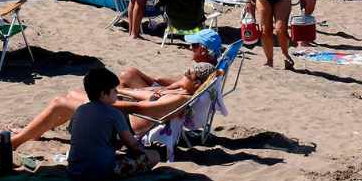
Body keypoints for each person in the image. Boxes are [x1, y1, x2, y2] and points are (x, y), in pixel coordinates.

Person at [11, 62, 213, 151]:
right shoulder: (181, 93)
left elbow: (139, 109)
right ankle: (36, 131)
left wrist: (110, 102)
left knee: (59, 103)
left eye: (188, 75)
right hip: (122, 118)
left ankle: (16, 141)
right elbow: (146, 96)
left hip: (122, 126)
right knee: (71, 95)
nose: (183, 75)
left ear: (196, 84)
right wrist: (123, 92)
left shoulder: (179, 100)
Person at [66, 68, 161, 181]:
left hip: (74, 171)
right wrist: (143, 152)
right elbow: (132, 145)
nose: (117, 93)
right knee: (154, 156)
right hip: (101, 174)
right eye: (114, 90)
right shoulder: (114, 113)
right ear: (103, 94)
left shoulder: (80, 109)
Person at [118, 29, 221, 89]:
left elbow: (181, 92)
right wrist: (155, 81)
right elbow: (183, 83)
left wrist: (162, 89)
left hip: (165, 103)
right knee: (132, 72)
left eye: (194, 45)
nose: (190, 47)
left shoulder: (202, 73)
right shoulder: (211, 70)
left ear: (203, 50)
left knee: (126, 76)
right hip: (169, 94)